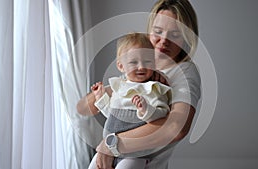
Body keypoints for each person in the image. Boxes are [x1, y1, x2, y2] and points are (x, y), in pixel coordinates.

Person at [77, 0, 201, 168]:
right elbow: (83, 108)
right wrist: (107, 90)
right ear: (149, 31)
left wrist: (110, 145)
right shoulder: (139, 64)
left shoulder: (184, 72)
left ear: (186, 37)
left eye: (175, 34)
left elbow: (176, 128)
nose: (164, 40)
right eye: (158, 31)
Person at [88, 33, 172, 169]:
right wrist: (100, 98)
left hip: (136, 154)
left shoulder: (153, 88)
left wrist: (146, 110)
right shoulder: (119, 87)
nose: (141, 67)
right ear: (121, 66)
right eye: (134, 62)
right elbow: (111, 115)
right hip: (109, 147)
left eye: (147, 62)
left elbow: (162, 115)